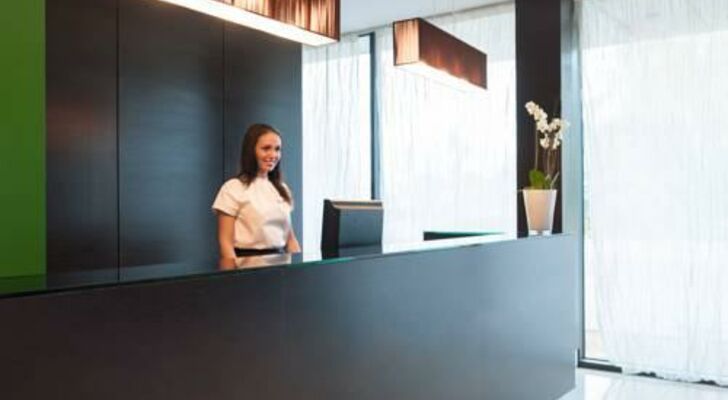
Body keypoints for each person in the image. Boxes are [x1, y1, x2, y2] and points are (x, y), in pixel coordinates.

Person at [212, 123, 300, 268]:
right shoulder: (233, 188)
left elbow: (291, 240)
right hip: (247, 268)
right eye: (266, 148)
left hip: (282, 267)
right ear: (251, 151)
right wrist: (232, 277)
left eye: (277, 149)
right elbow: (225, 242)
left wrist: (300, 270)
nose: (273, 155)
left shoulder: (282, 189)